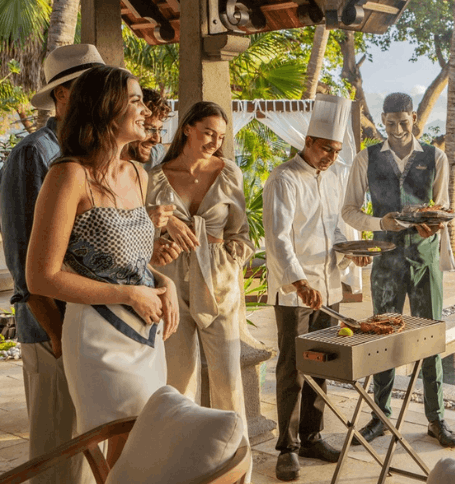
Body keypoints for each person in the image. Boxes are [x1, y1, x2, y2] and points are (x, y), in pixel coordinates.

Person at [25, 65, 179, 467]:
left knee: (143, 444)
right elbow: (41, 276)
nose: (145, 110)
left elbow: (132, 264)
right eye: (134, 101)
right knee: (124, 446)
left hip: (145, 334)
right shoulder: (68, 176)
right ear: (105, 109)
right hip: (97, 336)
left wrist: (166, 285)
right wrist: (129, 294)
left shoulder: (139, 175)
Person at [0, 44, 105, 484]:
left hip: (85, 329)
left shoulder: (85, 151)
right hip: (51, 331)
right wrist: (60, 339)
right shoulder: (34, 154)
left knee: (86, 455)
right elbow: (26, 261)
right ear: (62, 96)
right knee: (58, 456)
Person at [341, 92, 455, 448]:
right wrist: (381, 221)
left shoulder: (436, 157)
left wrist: (433, 224)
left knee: (431, 339)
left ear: (413, 119)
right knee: (382, 340)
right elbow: (348, 210)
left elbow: (444, 207)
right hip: (386, 262)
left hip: (424, 261)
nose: (396, 130)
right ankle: (380, 418)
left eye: (403, 122)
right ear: (382, 120)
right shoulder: (366, 158)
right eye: (390, 123)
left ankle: (436, 419)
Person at [263, 94, 370, 481]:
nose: (331, 156)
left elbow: (337, 228)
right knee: (292, 368)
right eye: (327, 149)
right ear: (308, 141)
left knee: (321, 363)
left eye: (336, 150)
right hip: (296, 292)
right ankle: (287, 447)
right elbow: (277, 239)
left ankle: (312, 435)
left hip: (329, 289)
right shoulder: (283, 178)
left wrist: (353, 253)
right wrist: (300, 282)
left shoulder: (335, 178)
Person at [146, 101, 254, 475]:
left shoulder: (229, 174)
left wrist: (226, 255)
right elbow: (140, 232)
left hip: (219, 288)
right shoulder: (155, 177)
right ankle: (184, 468)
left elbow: (241, 233)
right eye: (208, 132)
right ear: (187, 128)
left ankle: (237, 471)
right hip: (172, 286)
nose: (214, 141)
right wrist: (163, 230)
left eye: (221, 136)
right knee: (178, 381)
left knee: (228, 383)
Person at [121, 87, 180, 266]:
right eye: (148, 128)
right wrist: (146, 219)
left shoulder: (142, 170)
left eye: (160, 131)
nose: (156, 139)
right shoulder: (85, 173)